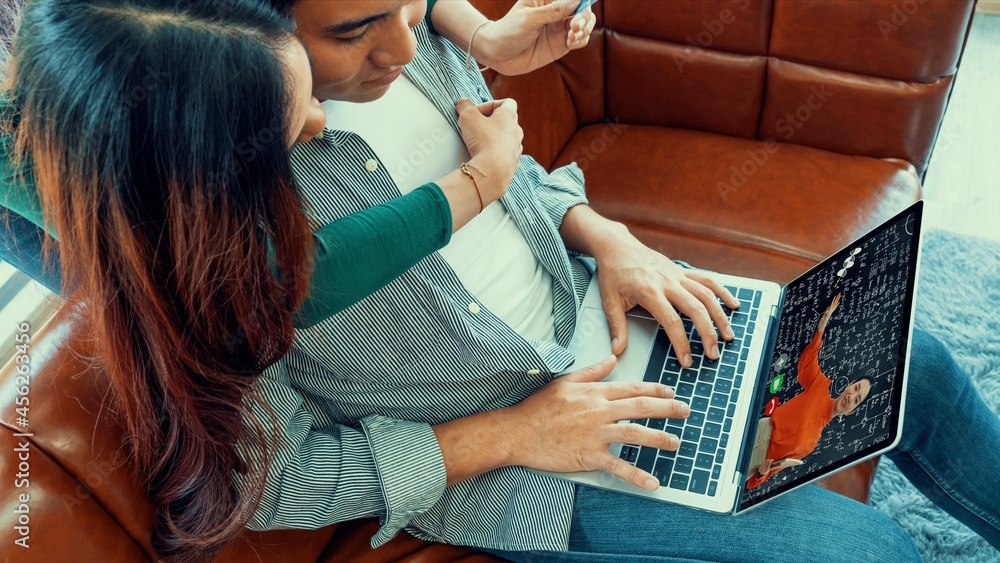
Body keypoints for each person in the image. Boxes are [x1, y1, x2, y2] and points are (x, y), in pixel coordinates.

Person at [242, 0, 1000, 560]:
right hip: (523, 455)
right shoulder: (226, 223)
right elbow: (275, 483)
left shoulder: (408, 38)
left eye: (405, 6)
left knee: (911, 358)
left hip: (604, 311)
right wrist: (518, 432)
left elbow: (520, 183)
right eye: (353, 32)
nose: (405, 45)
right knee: (865, 552)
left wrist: (610, 239)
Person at [1, 0, 568, 558]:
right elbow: (261, 313)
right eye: (286, 131)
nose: (323, 125)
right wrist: (509, 433)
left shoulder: (335, 48)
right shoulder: (198, 259)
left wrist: (588, 227)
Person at [746, 294, 874, 487]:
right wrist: (821, 328)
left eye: (857, 399)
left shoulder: (810, 444)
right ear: (849, 385)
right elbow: (809, 361)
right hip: (763, 429)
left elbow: (770, 473)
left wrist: (763, 473)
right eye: (855, 388)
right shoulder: (821, 386)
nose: (851, 397)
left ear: (851, 412)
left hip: (758, 461)